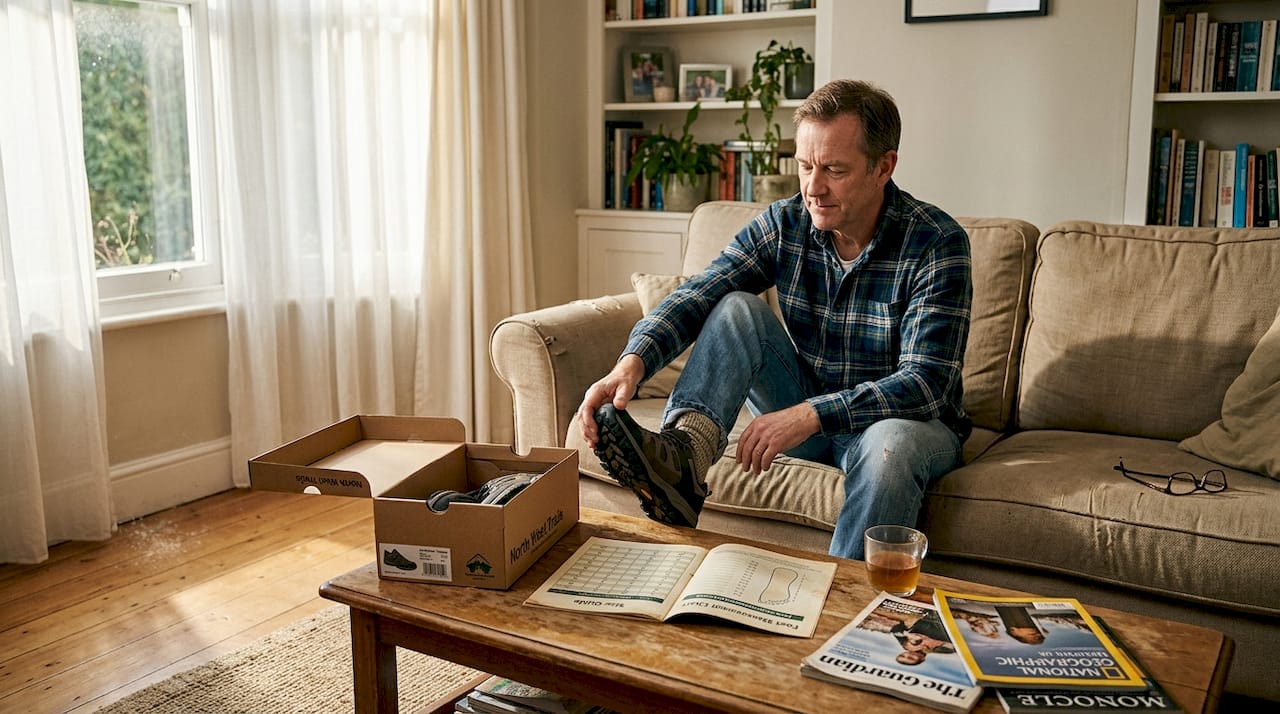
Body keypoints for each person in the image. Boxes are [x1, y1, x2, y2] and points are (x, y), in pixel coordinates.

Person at [576, 79, 972, 560]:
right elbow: (703, 290)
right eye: (805, 166)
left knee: (889, 444)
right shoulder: (786, 224)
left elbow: (925, 382)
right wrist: (631, 363)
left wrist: (809, 415)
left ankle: (840, 609)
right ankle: (685, 461)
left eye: (833, 170)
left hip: (906, 425)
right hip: (808, 413)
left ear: (883, 167)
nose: (813, 188)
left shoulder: (936, 243)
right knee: (735, 307)